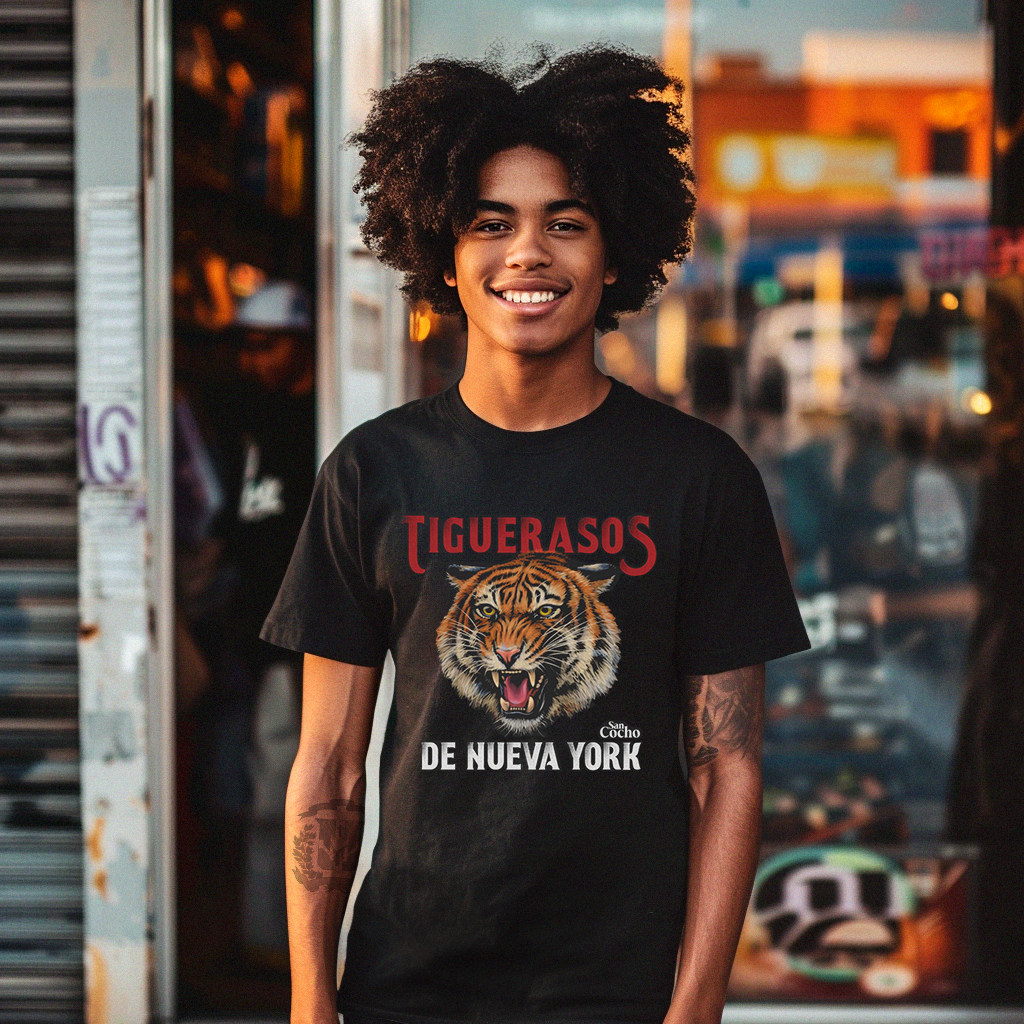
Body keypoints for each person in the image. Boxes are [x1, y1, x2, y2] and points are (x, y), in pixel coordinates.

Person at [260, 44, 810, 1024]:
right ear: (442, 250)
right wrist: (309, 999)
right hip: (409, 982)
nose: (527, 253)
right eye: (490, 223)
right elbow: (330, 764)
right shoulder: (371, 472)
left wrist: (697, 1002)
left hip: (620, 990)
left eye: (566, 223)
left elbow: (726, 762)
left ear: (613, 254)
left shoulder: (699, 477)